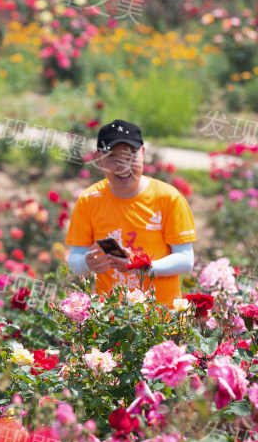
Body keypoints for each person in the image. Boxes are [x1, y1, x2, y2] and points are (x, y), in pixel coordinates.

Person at [65, 120, 196, 306]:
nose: (123, 166)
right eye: (112, 157)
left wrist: (141, 267)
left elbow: (185, 260)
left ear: (142, 153)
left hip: (161, 318)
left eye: (131, 156)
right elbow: (75, 259)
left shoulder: (168, 198)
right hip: (109, 318)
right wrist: (87, 263)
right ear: (99, 159)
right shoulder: (89, 200)